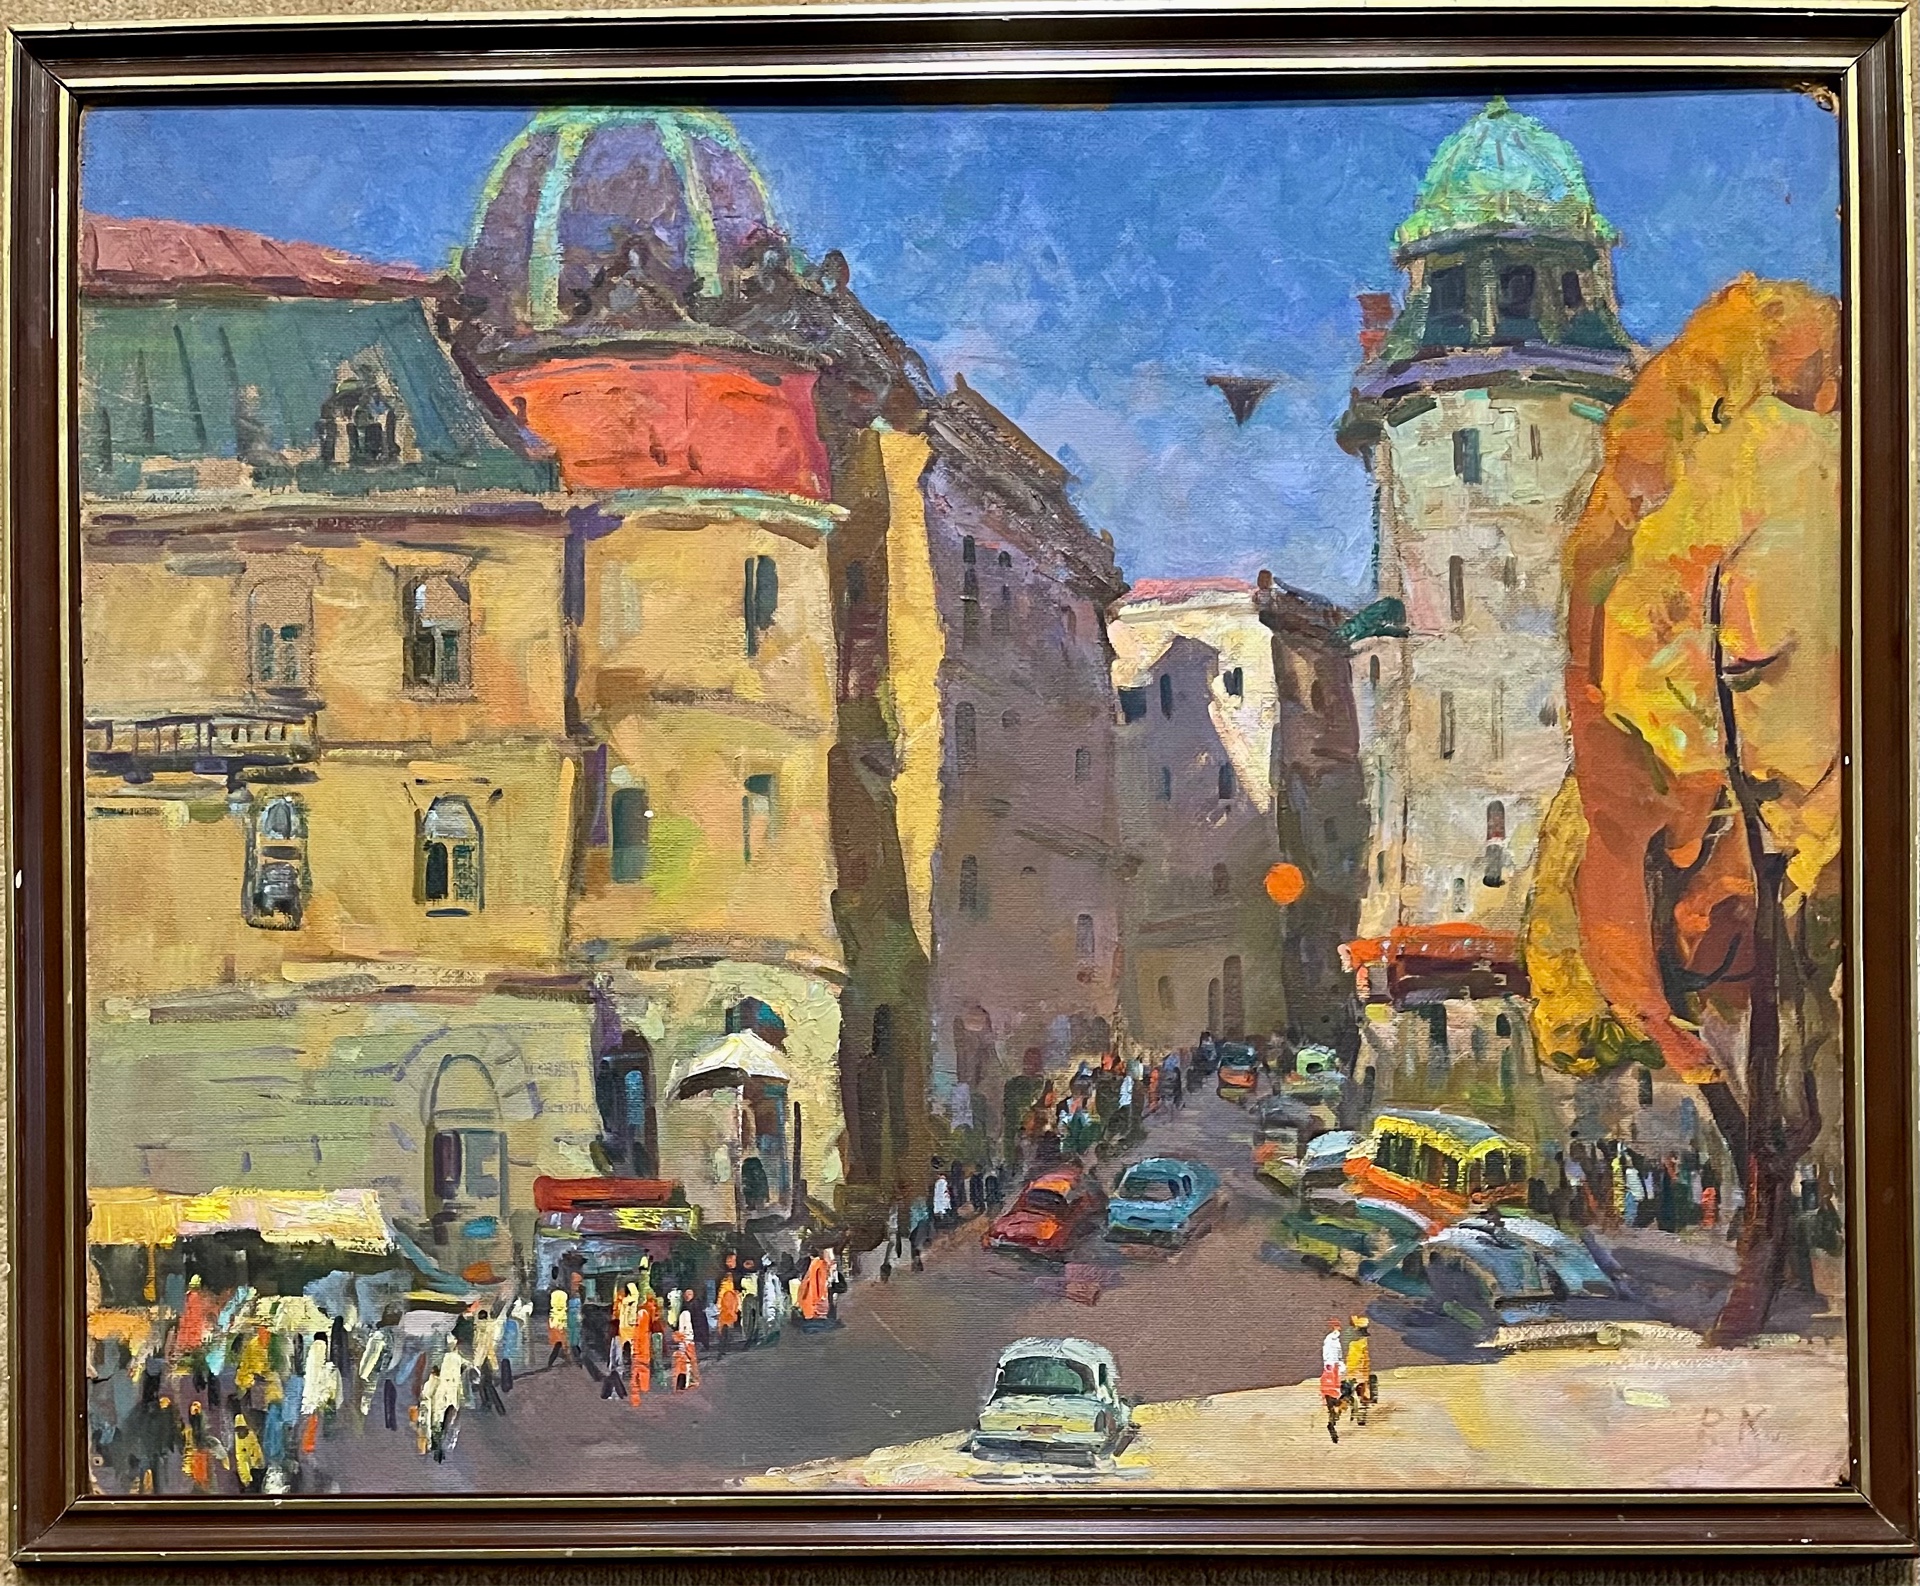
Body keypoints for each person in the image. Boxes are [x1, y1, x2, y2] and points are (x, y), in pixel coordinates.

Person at [1320, 1317, 1346, 1445]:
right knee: (1335, 1397)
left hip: (1335, 1368)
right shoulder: (1329, 1339)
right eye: (1336, 1326)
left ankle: (1332, 1421)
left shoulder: (1336, 1340)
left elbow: (1339, 1356)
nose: (1339, 1329)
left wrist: (1341, 1366)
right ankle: (1332, 1422)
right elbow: (1327, 1356)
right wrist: (1332, 1367)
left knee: (1337, 1398)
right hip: (1331, 1368)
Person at [1344, 1315, 1372, 1427]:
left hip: (1355, 1370)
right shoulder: (1362, 1343)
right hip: (1360, 1371)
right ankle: (1361, 1414)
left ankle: (1359, 1413)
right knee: (1361, 1393)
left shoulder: (1355, 1344)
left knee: (1356, 1392)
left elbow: (1354, 1359)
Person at [716, 1274, 741, 1354]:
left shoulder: (724, 1291)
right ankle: (723, 1348)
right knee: (725, 1332)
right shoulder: (729, 1292)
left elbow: (720, 1303)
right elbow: (730, 1305)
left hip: (724, 1314)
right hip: (727, 1315)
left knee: (723, 1332)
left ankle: (723, 1348)